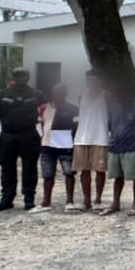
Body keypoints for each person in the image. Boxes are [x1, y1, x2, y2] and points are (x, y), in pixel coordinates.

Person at [0, 66, 45, 212]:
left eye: (23, 76)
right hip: (8, 136)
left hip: (29, 135)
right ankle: (7, 199)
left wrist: (46, 134)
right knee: (7, 169)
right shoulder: (3, 94)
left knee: (29, 169)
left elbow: (48, 112)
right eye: (17, 76)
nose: (20, 78)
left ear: (28, 77)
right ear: (13, 77)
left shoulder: (36, 94)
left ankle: (29, 199)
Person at [72, 70, 110, 213]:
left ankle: (98, 199)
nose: (91, 82)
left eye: (94, 79)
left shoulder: (106, 95)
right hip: (82, 137)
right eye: (89, 80)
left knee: (100, 170)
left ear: (100, 80)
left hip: (100, 137)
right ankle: (86, 200)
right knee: (84, 171)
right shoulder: (81, 94)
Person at [37, 82, 78, 211]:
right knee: (47, 174)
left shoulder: (73, 109)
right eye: (55, 93)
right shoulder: (43, 108)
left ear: (65, 94)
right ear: (52, 94)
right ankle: (46, 201)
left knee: (69, 173)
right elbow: (38, 124)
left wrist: (74, 141)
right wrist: (41, 137)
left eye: (61, 93)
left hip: (66, 145)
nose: (58, 96)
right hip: (47, 145)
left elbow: (77, 126)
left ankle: (70, 201)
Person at [104, 91, 135, 214]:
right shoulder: (115, 105)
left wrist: (134, 138)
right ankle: (115, 203)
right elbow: (112, 123)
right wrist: (113, 139)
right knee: (117, 176)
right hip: (115, 146)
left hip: (132, 147)